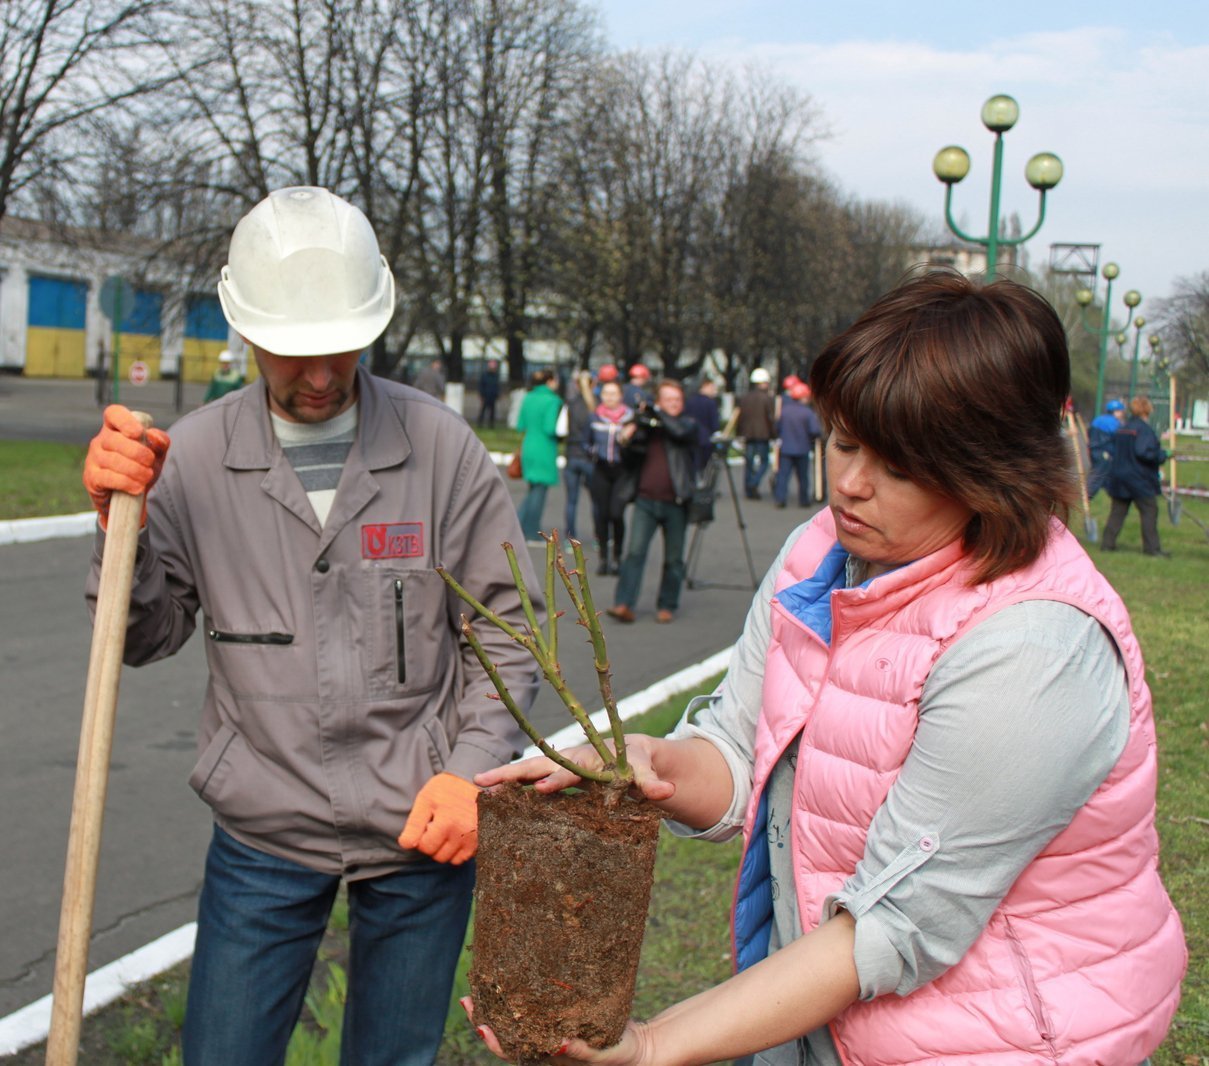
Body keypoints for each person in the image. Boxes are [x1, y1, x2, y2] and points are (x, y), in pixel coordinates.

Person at [476, 272, 1186, 1066]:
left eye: (899, 466)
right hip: (823, 1021)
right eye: (844, 442)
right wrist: (648, 762)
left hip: (995, 1042)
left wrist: (652, 1046)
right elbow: (742, 749)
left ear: (993, 472)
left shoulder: (1033, 651)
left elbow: (893, 925)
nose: (848, 485)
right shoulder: (821, 550)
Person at [81, 186, 541, 1066]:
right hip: (263, 832)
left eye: (341, 347)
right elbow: (141, 637)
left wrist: (472, 772)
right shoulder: (194, 459)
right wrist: (118, 527)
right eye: (294, 353)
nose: (323, 376)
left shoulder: (440, 447)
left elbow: (505, 627)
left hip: (421, 827)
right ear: (246, 330)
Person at [605, 380, 697, 624]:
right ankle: (624, 603)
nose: (673, 404)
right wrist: (630, 433)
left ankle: (667, 604)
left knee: (674, 559)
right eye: (668, 400)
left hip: (676, 502)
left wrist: (656, 414)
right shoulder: (649, 427)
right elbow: (628, 457)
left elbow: (679, 432)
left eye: (677, 400)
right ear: (659, 401)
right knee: (634, 553)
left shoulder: (687, 424)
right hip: (645, 501)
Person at [1102, 394, 1170, 557]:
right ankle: (1152, 548)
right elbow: (1143, 452)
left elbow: (1114, 449)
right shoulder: (1144, 430)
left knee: (1118, 511)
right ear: (1147, 410)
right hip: (1138, 477)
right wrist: (1162, 455)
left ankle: (1107, 544)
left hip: (1119, 475)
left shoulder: (1122, 428)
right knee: (1149, 510)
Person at [586, 378, 634, 575]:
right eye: (606, 393)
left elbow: (639, 445)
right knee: (602, 514)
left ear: (621, 396)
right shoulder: (595, 417)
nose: (609, 398)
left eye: (613, 394)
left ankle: (617, 557)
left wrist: (628, 442)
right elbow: (585, 441)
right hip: (601, 469)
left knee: (616, 513)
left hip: (622, 470)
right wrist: (592, 451)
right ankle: (603, 558)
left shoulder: (630, 418)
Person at [515, 368, 563, 546]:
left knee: (533, 490)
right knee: (539, 492)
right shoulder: (553, 400)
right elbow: (550, 427)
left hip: (528, 445)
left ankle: (518, 526)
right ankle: (531, 532)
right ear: (550, 381)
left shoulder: (528, 397)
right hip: (544, 448)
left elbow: (520, 424)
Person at [772, 382, 821, 508]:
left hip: (786, 448)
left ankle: (780, 499)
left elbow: (777, 427)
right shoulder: (807, 412)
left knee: (783, 475)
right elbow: (814, 430)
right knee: (803, 477)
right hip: (802, 448)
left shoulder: (784, 411)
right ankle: (803, 500)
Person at [562, 369, 597, 543]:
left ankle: (570, 538)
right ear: (594, 384)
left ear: (576, 385)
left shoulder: (570, 404)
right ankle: (599, 536)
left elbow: (561, 430)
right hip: (590, 457)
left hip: (572, 454)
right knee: (596, 500)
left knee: (571, 501)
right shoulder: (597, 405)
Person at [736, 367, 775, 499]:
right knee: (764, 462)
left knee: (749, 462)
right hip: (763, 435)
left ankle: (749, 489)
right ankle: (753, 483)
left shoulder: (745, 398)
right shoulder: (767, 398)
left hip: (748, 435)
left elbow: (740, 417)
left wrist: (739, 433)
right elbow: (770, 418)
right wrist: (774, 434)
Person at [1087, 398, 1125, 498]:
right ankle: (1087, 495)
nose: (1122, 414)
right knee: (1098, 475)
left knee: (1102, 474)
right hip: (1104, 452)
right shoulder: (1114, 423)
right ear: (1116, 411)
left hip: (1094, 450)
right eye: (1121, 411)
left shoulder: (1098, 419)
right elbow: (1119, 438)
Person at [683, 375, 722, 474]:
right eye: (712, 387)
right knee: (703, 467)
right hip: (705, 439)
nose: (714, 390)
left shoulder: (689, 401)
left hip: (690, 438)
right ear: (704, 387)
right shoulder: (710, 402)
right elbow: (714, 423)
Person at [478, 357, 501, 428]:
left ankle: (491, 425)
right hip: (486, 395)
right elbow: (481, 385)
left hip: (492, 396)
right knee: (483, 410)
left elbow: (497, 386)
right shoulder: (485, 375)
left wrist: (497, 394)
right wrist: (482, 394)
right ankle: (480, 424)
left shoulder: (496, 376)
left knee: (492, 412)